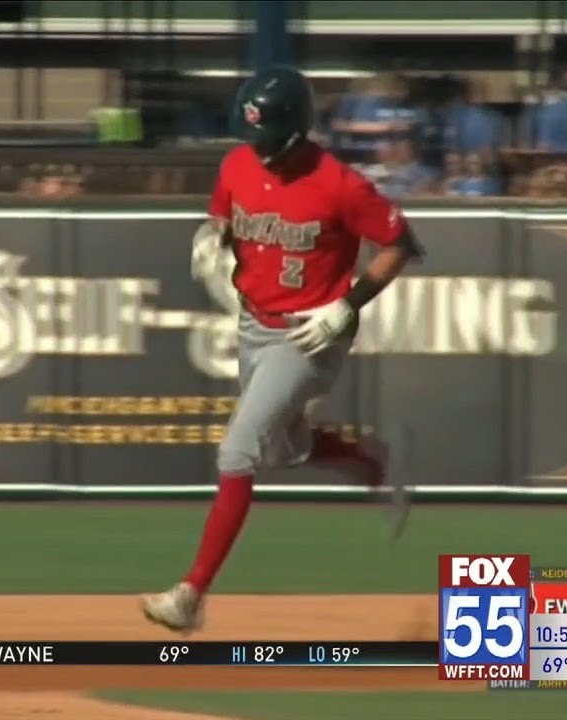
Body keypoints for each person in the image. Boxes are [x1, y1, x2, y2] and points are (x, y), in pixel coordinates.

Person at [140, 65, 419, 634]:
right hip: (253, 325)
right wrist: (209, 236)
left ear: (299, 130)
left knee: (239, 451)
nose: (261, 154)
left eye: (272, 142)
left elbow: (400, 245)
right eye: (256, 140)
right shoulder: (238, 162)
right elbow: (221, 213)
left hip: (310, 334)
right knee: (287, 449)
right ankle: (370, 459)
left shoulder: (340, 184)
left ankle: (190, 594)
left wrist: (348, 305)